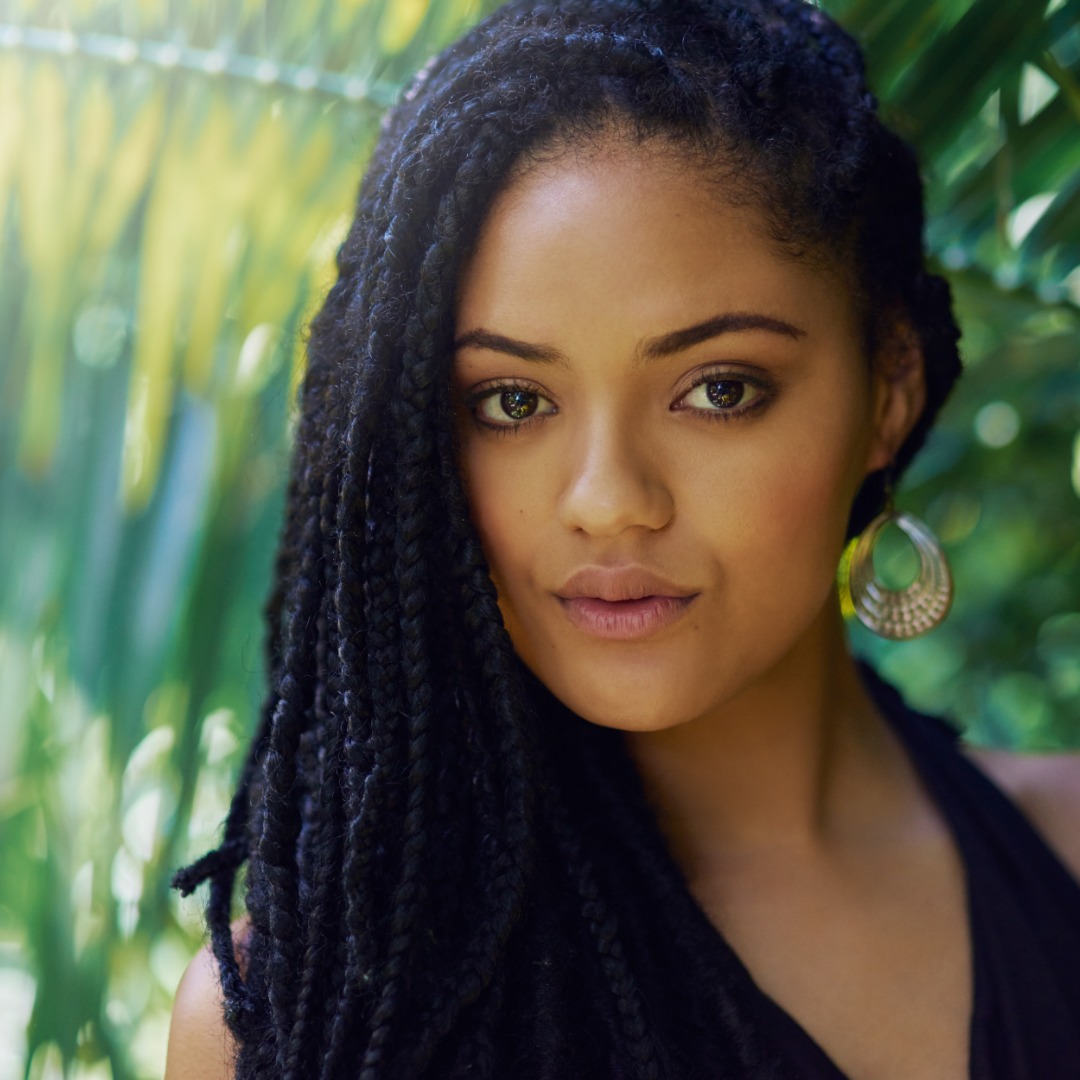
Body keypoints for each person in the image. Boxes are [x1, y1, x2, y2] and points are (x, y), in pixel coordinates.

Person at [163, 1, 1080, 1077]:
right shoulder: (299, 1025)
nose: (607, 501)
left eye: (719, 389)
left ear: (889, 389)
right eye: (511, 402)